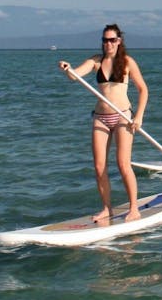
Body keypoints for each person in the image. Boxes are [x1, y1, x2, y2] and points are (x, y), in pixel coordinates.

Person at [59, 24, 148, 224]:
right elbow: (75, 76)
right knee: (99, 167)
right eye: (105, 40)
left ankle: (134, 208)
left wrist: (139, 117)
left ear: (119, 41)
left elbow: (143, 90)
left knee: (123, 164)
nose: (108, 43)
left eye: (112, 40)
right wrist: (67, 69)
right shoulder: (95, 61)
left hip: (123, 116)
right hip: (100, 117)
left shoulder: (127, 62)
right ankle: (107, 209)